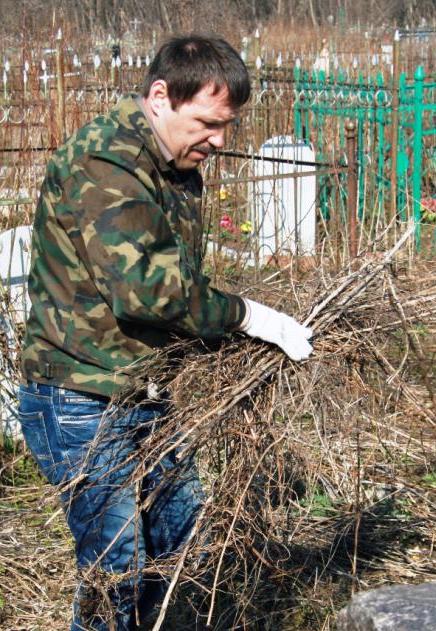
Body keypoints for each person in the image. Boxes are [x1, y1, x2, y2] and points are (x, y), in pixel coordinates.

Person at [17, 34, 313, 631]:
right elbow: (147, 290)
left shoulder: (175, 163)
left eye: (227, 125)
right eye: (208, 122)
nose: (220, 140)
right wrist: (248, 317)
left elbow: (178, 282)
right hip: (79, 395)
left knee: (181, 548)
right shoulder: (105, 162)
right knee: (116, 570)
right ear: (160, 97)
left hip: (146, 391)